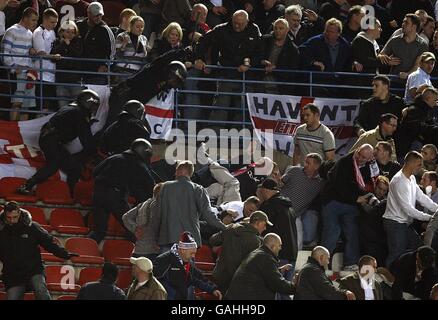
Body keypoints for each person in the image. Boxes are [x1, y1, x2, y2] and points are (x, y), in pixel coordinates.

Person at [17, 89, 100, 196]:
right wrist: (95, 154)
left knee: (75, 167)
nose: (93, 110)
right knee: (54, 164)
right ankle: (26, 186)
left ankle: (71, 194)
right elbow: (86, 140)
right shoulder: (79, 113)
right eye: (93, 107)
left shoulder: (71, 108)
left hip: (50, 139)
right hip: (52, 140)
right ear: (88, 103)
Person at [0, 201, 78, 300]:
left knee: (41, 289)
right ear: (5, 215)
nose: (12, 220)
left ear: (19, 213)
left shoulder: (32, 227)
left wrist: (64, 254)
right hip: (12, 274)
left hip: (33, 270)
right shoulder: (1, 230)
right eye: (9, 218)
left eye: (14, 217)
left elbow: (48, 243)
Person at [194, 10, 261, 123]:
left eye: (240, 23)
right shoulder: (221, 29)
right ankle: (214, 135)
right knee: (221, 105)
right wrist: (199, 58)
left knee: (244, 108)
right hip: (226, 72)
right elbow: (203, 41)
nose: (236, 25)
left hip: (247, 75)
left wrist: (250, 63)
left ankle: (241, 137)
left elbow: (260, 51)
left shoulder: (254, 30)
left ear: (247, 22)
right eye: (235, 22)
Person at [90, 138, 155, 243]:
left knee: (99, 231)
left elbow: (95, 172)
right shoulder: (139, 164)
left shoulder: (114, 157)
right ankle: (135, 255)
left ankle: (85, 249)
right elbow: (149, 187)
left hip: (97, 194)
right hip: (115, 197)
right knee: (133, 228)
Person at [321, 144, 375, 271]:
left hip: (351, 205)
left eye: (364, 157)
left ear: (370, 158)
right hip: (333, 201)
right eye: (359, 155)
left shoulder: (370, 166)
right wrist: (356, 198)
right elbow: (339, 185)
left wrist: (364, 198)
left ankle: (350, 263)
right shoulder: (345, 162)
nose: (360, 159)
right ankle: (320, 262)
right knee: (332, 232)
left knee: (352, 232)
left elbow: (368, 184)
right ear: (357, 150)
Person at [383, 151, 438, 268]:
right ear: (410, 164)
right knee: (396, 254)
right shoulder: (398, 181)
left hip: (404, 223)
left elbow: (421, 197)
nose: (421, 168)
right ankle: (387, 280)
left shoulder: (412, 178)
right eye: (419, 165)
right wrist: (431, 217)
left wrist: (437, 209)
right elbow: (409, 210)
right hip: (395, 223)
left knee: (417, 246)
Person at [106, 50, 188, 128]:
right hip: (124, 94)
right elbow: (165, 58)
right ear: (170, 73)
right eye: (174, 80)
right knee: (112, 123)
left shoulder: (165, 84)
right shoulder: (156, 69)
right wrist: (182, 52)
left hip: (134, 104)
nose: (174, 83)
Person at [158, 160, 226, 251]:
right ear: (190, 173)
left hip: (167, 237)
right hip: (189, 240)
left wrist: (155, 236)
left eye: (176, 170)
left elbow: (157, 213)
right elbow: (208, 215)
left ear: (181, 171)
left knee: (167, 264)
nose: (175, 173)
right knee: (187, 265)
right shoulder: (198, 189)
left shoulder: (165, 187)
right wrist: (224, 228)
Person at [209, 210, 269, 292]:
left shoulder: (230, 228)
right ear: (258, 223)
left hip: (221, 275)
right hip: (239, 280)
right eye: (265, 225)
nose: (265, 228)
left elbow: (213, 240)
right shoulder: (255, 241)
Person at [225, 233, 295, 300]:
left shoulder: (258, 253)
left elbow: (263, 274)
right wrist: (296, 287)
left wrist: (279, 270)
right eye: (279, 245)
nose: (280, 248)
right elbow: (277, 283)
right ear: (272, 246)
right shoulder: (265, 258)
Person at [154, 231, 222, 300]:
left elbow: (198, 278)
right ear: (183, 250)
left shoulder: (188, 262)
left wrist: (212, 289)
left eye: (194, 253)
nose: (193, 256)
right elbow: (154, 282)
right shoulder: (164, 260)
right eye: (191, 253)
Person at [257, 178, 298, 284]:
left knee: (275, 290)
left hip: (278, 255)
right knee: (285, 290)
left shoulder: (268, 207)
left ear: (265, 190)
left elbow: (263, 232)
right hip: (292, 254)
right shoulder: (289, 208)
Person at [281, 153, 326, 248]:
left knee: (298, 244)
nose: (305, 165)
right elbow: (279, 184)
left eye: (308, 163)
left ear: (317, 166)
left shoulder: (321, 182)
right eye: (305, 162)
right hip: (280, 210)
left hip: (295, 215)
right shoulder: (295, 170)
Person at [1, 7, 38, 121]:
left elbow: (27, 53)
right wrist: (13, 67)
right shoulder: (11, 31)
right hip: (17, 73)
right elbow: (4, 53)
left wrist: (32, 51)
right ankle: (13, 134)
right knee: (17, 103)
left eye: (36, 20)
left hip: (28, 73)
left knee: (26, 106)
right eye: (33, 20)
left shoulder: (30, 33)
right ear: (25, 18)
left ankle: (21, 136)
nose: (35, 23)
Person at [255, 18, 300, 95]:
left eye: (281, 28)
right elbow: (254, 57)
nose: (277, 31)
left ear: (287, 30)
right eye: (275, 28)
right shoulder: (264, 40)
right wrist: (261, 61)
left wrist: (275, 69)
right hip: (260, 77)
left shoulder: (293, 49)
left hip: (280, 84)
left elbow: (293, 71)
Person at [378, 13, 428, 81]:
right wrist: (385, 59)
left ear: (414, 27)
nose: (403, 24)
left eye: (406, 22)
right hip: (393, 79)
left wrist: (407, 74)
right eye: (403, 22)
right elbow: (381, 54)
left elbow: (417, 66)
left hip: (412, 82)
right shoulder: (394, 40)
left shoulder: (422, 44)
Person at [122, 183, 163, 261]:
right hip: (153, 251)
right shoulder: (158, 207)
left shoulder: (142, 204)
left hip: (138, 250)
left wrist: (135, 228)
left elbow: (126, 217)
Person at [76, 1, 115, 83]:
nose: (98, 17)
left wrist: (105, 65)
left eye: (100, 15)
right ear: (88, 13)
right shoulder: (79, 26)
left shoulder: (105, 29)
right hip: (79, 71)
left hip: (97, 72)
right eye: (96, 15)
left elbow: (112, 51)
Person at [395, 87, 438, 160]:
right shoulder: (414, 111)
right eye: (435, 100)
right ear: (428, 99)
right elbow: (418, 127)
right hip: (406, 149)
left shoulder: (426, 109)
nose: (436, 102)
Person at [357, 175, 390, 267]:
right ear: (375, 186)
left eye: (384, 190)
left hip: (379, 238)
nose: (381, 192)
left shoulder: (386, 202)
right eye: (380, 188)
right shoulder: (367, 196)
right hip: (366, 236)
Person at [50, 20, 84, 108]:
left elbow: (78, 54)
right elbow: (53, 56)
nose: (70, 34)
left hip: (75, 80)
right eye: (68, 32)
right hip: (61, 80)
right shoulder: (57, 42)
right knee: (63, 107)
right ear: (62, 32)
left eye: (73, 32)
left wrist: (68, 45)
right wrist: (63, 44)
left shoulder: (78, 41)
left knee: (77, 108)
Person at [32, 8, 59, 112]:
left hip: (51, 74)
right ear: (45, 20)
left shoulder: (52, 32)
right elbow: (41, 53)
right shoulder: (39, 32)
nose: (54, 24)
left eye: (56, 22)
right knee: (42, 104)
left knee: (50, 104)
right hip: (41, 75)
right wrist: (54, 57)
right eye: (52, 22)